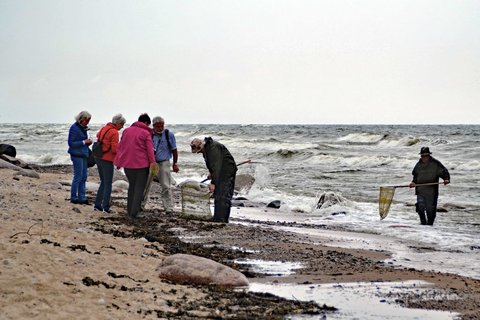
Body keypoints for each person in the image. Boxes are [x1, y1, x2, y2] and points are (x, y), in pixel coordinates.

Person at [114, 113, 158, 219]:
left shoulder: (126, 131)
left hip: (128, 165)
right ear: (146, 123)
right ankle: (134, 213)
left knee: (132, 187)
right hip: (141, 165)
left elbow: (121, 147)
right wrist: (153, 163)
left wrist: (118, 162)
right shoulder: (146, 133)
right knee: (139, 189)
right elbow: (150, 150)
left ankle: (129, 211)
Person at [190, 137, 237, 223]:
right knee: (218, 194)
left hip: (227, 171)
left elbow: (216, 166)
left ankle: (222, 219)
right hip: (220, 170)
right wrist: (211, 174)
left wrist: (213, 183)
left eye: (198, 151)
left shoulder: (212, 148)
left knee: (223, 195)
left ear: (201, 146)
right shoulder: (206, 149)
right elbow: (213, 166)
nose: (198, 153)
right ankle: (218, 217)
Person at [142, 116, 179, 214]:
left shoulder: (169, 135)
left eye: (161, 126)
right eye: (158, 126)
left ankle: (169, 208)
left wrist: (175, 164)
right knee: (146, 185)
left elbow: (174, 150)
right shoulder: (149, 135)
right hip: (151, 162)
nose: (160, 128)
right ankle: (141, 205)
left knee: (166, 186)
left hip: (164, 162)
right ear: (153, 126)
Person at [93, 113, 126, 213]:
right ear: (117, 123)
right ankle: (105, 207)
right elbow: (114, 149)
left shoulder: (104, 128)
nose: (122, 127)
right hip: (107, 159)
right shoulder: (114, 132)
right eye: (122, 124)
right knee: (108, 184)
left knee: (103, 182)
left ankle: (97, 205)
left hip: (98, 157)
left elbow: (98, 136)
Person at [409, 147, 450, 225]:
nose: (424, 158)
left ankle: (430, 226)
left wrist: (446, 179)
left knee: (430, 210)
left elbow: (444, 172)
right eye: (422, 156)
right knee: (420, 207)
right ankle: (423, 224)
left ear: (429, 155)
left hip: (432, 191)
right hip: (420, 190)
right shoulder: (418, 164)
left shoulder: (435, 163)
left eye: (425, 156)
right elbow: (415, 176)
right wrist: (413, 183)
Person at [67, 111, 93, 204]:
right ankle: (74, 197)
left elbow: (82, 141)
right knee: (78, 176)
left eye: (89, 120)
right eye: (87, 120)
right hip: (76, 154)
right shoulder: (74, 128)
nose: (88, 122)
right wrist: (83, 142)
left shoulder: (83, 128)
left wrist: (88, 142)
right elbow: (71, 143)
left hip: (84, 154)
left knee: (84, 176)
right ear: (81, 119)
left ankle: (82, 197)